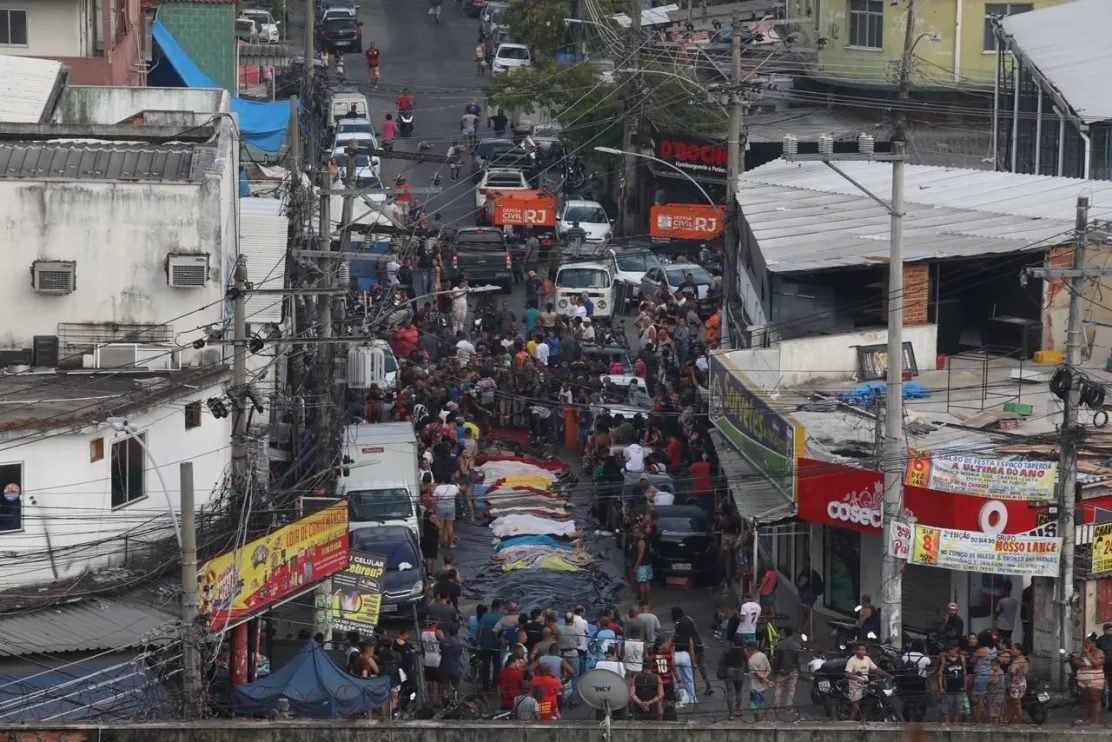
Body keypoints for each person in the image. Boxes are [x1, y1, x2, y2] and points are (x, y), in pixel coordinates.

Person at [846, 642, 888, 721]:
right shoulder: (852, 660)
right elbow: (847, 674)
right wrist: (857, 678)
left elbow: (876, 669)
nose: (862, 651)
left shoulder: (867, 659)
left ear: (866, 651)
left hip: (866, 686)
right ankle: (850, 723)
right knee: (855, 709)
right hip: (855, 687)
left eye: (863, 650)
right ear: (856, 651)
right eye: (860, 650)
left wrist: (888, 675)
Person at [1074, 636, 1105, 725]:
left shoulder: (1099, 652)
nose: (1086, 644)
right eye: (1085, 642)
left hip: (1094, 679)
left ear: (1094, 643)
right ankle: (1085, 718)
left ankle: (1096, 722)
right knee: (1085, 699)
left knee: (1095, 700)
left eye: (1088, 643)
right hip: (1082, 680)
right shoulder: (1083, 651)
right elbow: (1075, 660)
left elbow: (1096, 664)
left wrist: (1087, 653)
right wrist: (1081, 652)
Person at [772, 627, 800, 719]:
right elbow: (798, 660)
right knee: (791, 689)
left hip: (781, 670)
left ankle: (776, 706)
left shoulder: (780, 645)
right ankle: (788, 707)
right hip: (793, 670)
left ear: (784, 634)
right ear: (792, 634)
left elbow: (776, 659)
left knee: (779, 688)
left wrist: (775, 669)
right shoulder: (796, 645)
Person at [901, 639, 931, 722]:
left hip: (907, 681)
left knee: (908, 699)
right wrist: (926, 653)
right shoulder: (925, 658)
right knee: (921, 700)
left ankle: (907, 718)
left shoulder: (906, 655)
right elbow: (929, 665)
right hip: (921, 682)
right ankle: (918, 718)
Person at [938, 643, 967, 723]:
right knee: (946, 709)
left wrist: (965, 684)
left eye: (954, 649)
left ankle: (956, 724)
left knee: (958, 709)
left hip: (959, 686)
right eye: (950, 649)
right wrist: (941, 687)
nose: (952, 651)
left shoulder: (961, 658)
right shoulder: (945, 659)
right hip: (948, 687)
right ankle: (947, 723)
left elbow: (964, 672)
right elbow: (940, 673)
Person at [745, 640, 773, 722]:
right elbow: (769, 669)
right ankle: (759, 720)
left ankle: (758, 723)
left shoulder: (751, 661)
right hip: (762, 687)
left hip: (755, 688)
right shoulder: (762, 655)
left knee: (756, 708)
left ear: (750, 649)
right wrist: (767, 680)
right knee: (759, 706)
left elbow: (759, 676)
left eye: (746, 648)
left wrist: (763, 678)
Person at [1006, 643, 1029, 723]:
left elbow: (1013, 671)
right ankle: (1012, 719)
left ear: (1019, 651)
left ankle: (1018, 721)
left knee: (1016, 704)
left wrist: (1011, 670)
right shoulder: (1024, 659)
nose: (1011, 651)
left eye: (1013, 649)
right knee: (1012, 703)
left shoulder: (1017, 661)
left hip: (1016, 685)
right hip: (1022, 682)